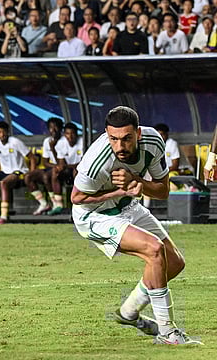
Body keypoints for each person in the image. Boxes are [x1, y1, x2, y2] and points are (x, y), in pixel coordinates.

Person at [71, 106, 202, 345]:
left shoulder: (153, 142)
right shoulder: (95, 162)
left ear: (138, 134)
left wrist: (137, 181)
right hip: (95, 216)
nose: (120, 147)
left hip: (127, 206)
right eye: (113, 139)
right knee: (154, 249)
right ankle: (167, 333)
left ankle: (129, 312)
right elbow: (77, 198)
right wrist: (118, 190)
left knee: (174, 263)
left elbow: (162, 191)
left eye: (126, 139)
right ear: (106, 135)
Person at [25, 118, 66, 215]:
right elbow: (45, 162)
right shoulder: (47, 141)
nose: (54, 130)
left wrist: (52, 148)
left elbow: (61, 163)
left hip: (64, 169)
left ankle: (55, 204)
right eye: (51, 128)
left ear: (61, 128)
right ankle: (43, 203)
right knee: (28, 177)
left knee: (46, 176)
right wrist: (54, 166)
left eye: (56, 127)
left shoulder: (64, 141)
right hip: (52, 167)